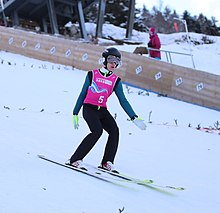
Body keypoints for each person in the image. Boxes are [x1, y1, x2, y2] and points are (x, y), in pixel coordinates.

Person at [67, 47, 146, 173]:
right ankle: (75, 159)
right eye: (111, 60)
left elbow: (123, 100)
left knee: (114, 131)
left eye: (117, 62)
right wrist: (75, 113)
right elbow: (83, 94)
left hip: (102, 110)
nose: (113, 64)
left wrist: (133, 117)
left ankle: (107, 162)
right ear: (104, 60)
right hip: (89, 108)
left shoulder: (116, 80)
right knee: (97, 131)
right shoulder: (92, 75)